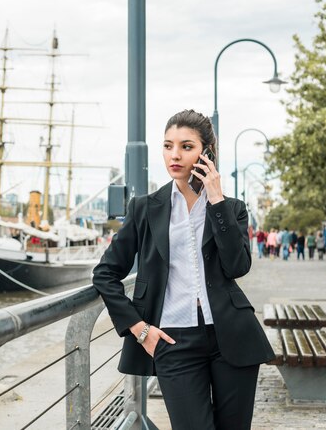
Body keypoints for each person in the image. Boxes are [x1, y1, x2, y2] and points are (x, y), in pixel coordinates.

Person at [93, 110, 274, 430]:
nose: (174, 154)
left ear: (207, 154)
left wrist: (216, 201)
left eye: (186, 146)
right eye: (167, 145)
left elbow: (237, 266)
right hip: (172, 341)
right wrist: (140, 330)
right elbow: (105, 273)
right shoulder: (145, 208)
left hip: (231, 335)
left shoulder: (231, 209)